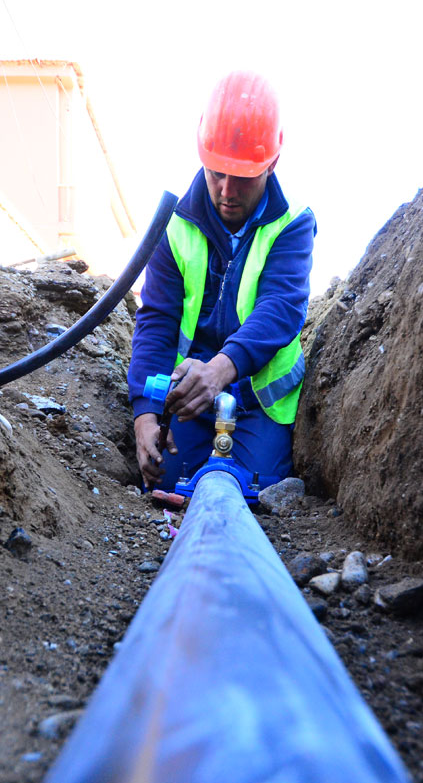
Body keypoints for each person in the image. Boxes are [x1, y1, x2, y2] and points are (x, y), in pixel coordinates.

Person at [127, 70, 316, 496]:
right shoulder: (174, 227)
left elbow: (281, 309)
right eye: (216, 173)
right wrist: (145, 414)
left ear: (272, 163)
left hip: (257, 400)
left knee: (258, 489)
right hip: (191, 397)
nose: (227, 190)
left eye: (243, 176)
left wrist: (219, 371)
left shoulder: (293, 223)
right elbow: (157, 320)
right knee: (169, 480)